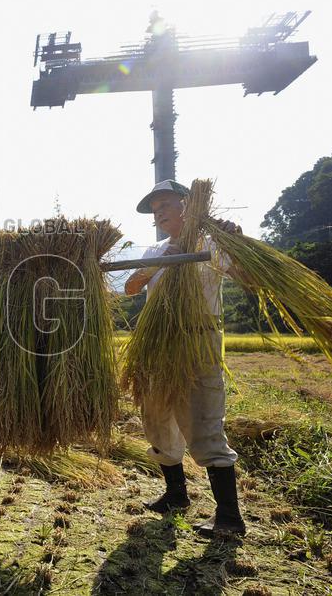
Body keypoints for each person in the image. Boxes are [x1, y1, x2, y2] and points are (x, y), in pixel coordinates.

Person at [123, 179, 247, 536]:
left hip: (197, 340)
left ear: (188, 205)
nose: (159, 213)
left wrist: (235, 243)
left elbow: (247, 278)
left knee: (203, 421)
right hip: (156, 343)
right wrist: (156, 264)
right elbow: (132, 287)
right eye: (155, 209)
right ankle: (176, 495)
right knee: (157, 418)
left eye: (165, 205)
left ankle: (228, 517)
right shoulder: (155, 250)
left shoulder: (212, 244)